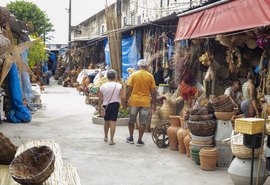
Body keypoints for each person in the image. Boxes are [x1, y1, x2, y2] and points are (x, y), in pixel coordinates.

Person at [124, 59, 157, 146]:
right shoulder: (150, 76)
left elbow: (129, 90)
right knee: (143, 122)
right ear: (147, 67)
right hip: (145, 102)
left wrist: (125, 101)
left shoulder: (134, 75)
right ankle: (139, 140)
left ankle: (131, 138)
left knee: (131, 120)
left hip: (134, 101)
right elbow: (153, 91)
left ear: (139, 66)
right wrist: (154, 103)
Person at [97, 69, 123, 145]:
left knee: (106, 121)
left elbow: (100, 98)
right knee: (113, 122)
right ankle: (111, 140)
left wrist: (99, 107)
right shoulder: (119, 85)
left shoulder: (102, 86)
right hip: (115, 104)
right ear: (115, 77)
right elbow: (121, 96)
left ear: (107, 77)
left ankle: (105, 137)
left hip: (105, 105)